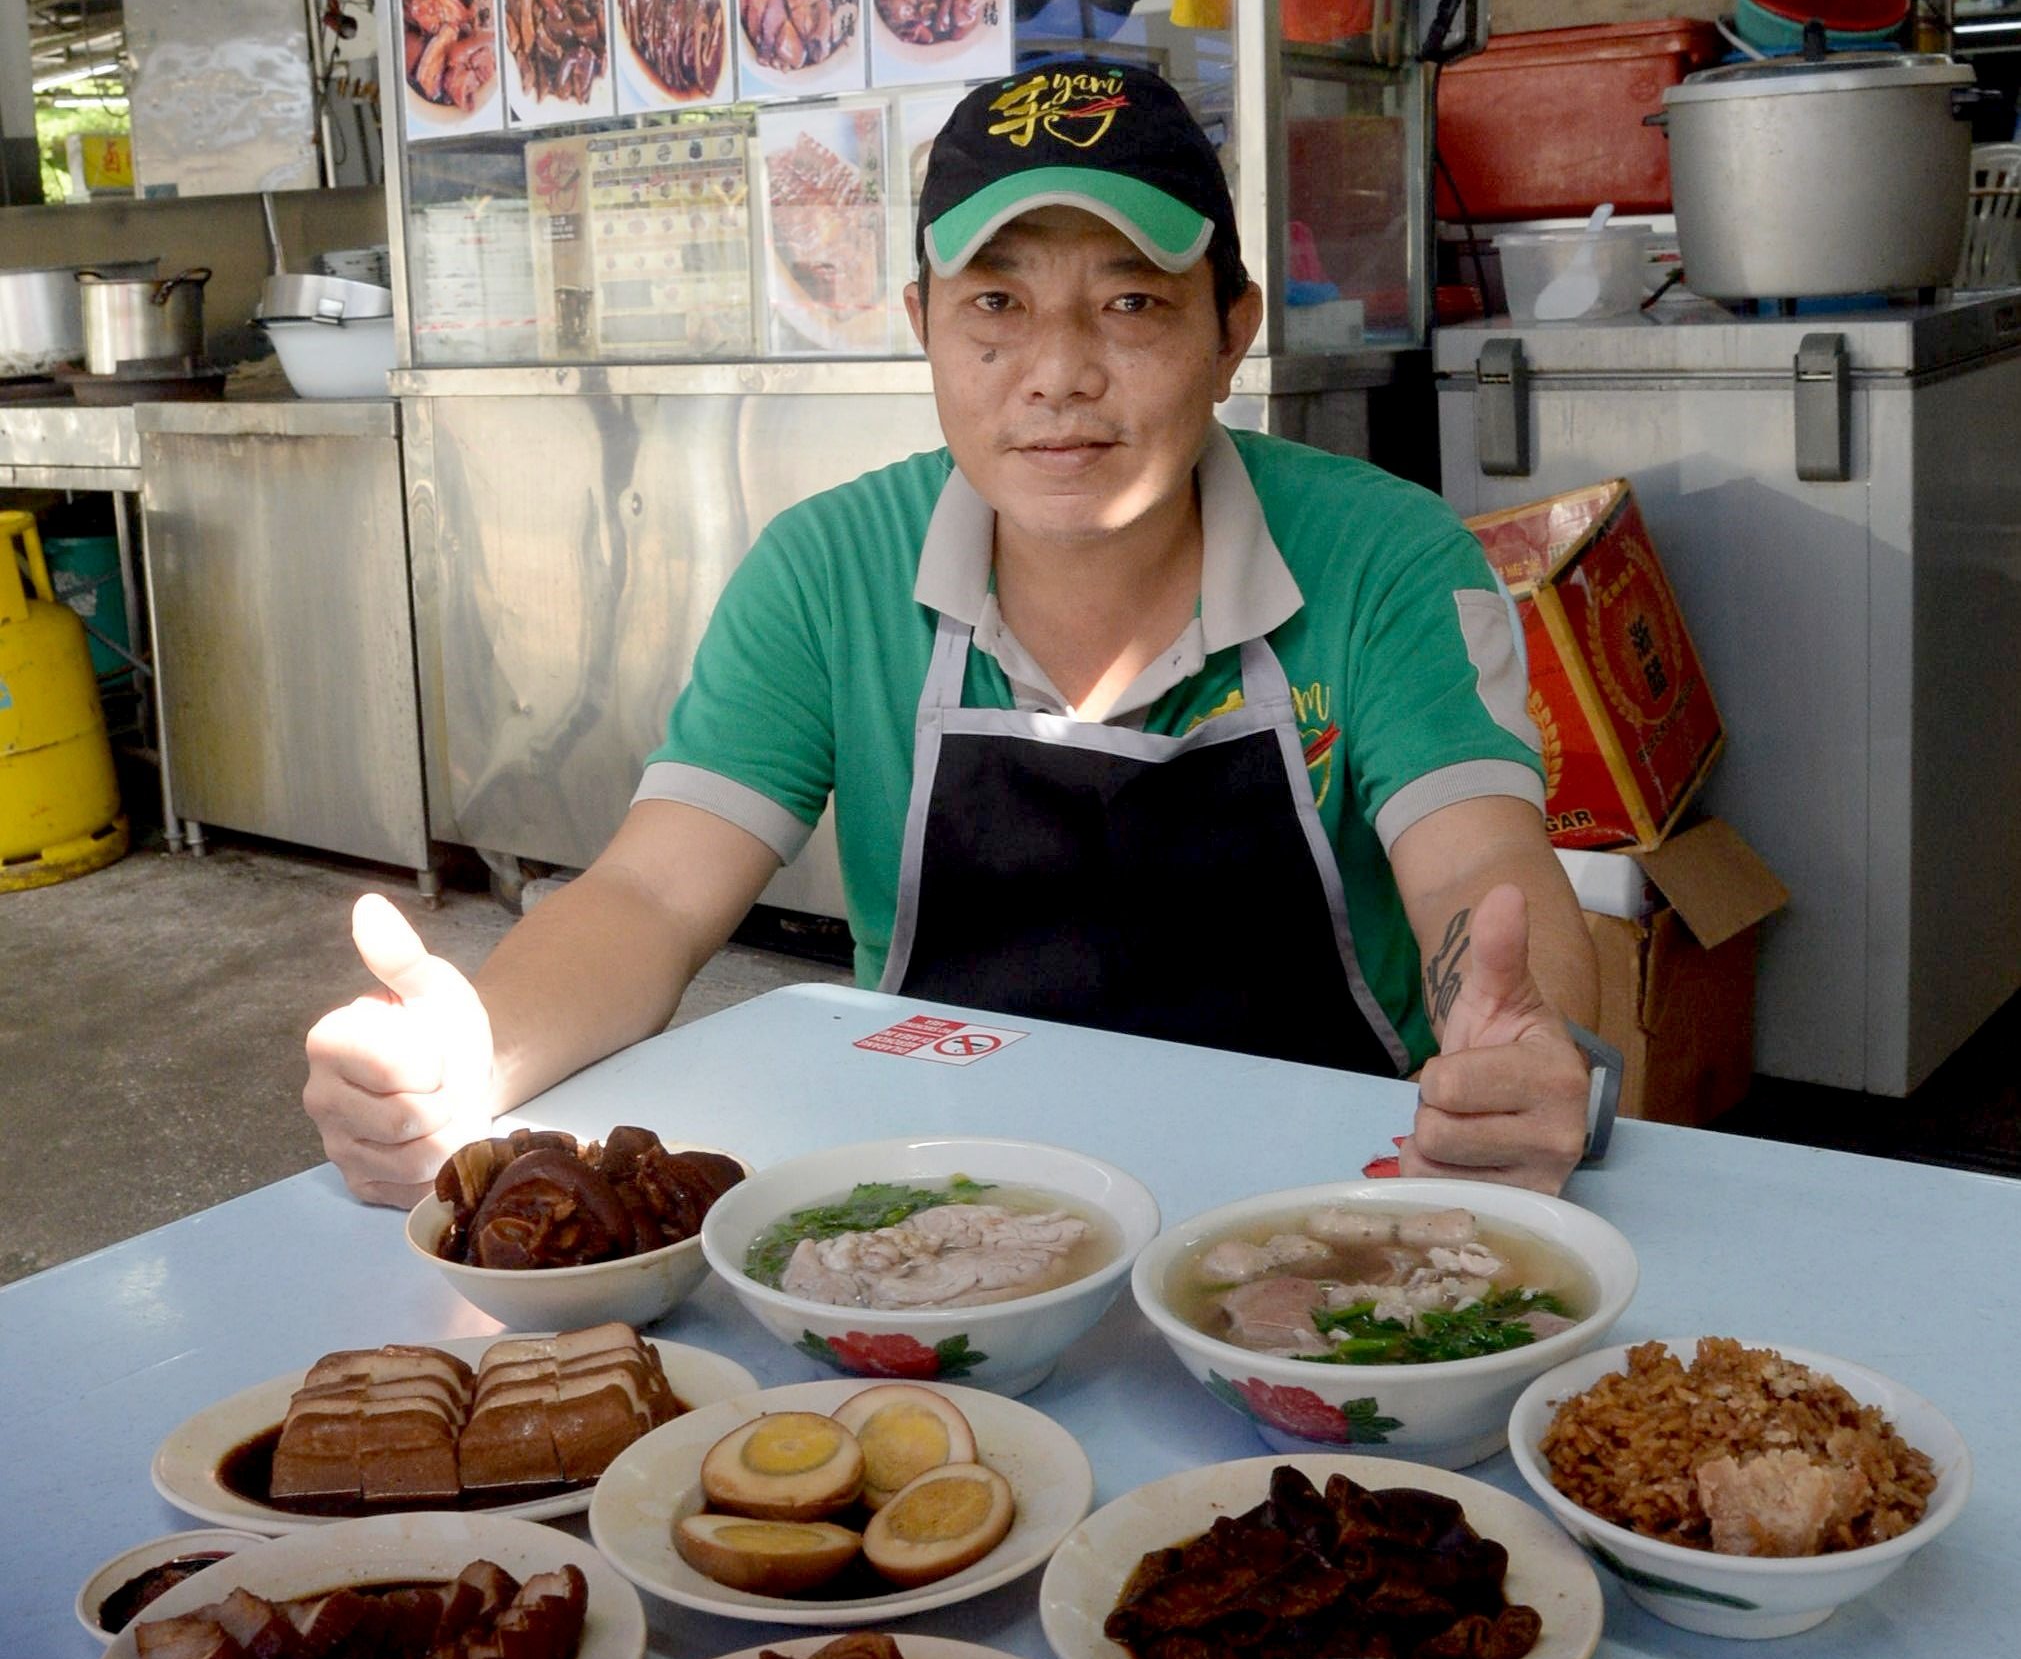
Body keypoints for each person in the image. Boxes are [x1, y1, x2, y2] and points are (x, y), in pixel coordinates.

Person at [306, 62, 1608, 1206]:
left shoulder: (1384, 559)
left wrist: (1518, 1043)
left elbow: (1479, 877)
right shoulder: (826, 573)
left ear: (1231, 333)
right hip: (940, 1198)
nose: (1056, 371)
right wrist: (467, 1056)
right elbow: (648, 895)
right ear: (921, 325)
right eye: (994, 303)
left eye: (1131, 304)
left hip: (1326, 1190)